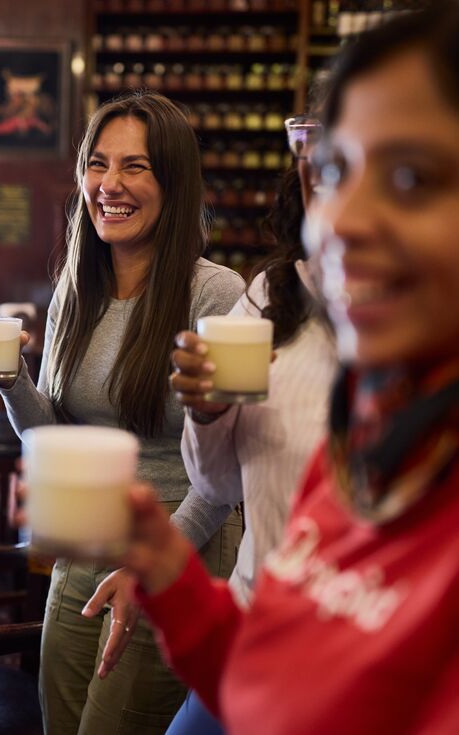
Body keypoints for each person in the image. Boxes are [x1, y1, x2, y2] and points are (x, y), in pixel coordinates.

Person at [122, 2, 459, 733]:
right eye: (334, 170)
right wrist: (162, 564)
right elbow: (273, 685)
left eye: (411, 178)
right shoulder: (382, 420)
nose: (334, 220)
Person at [0, 90, 245, 733]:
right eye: (97, 163)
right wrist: (10, 381)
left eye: (134, 167)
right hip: (87, 535)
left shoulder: (215, 293)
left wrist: (154, 561)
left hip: (181, 541)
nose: (109, 185)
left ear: (173, 181)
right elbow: (56, 441)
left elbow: (227, 467)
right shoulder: (75, 290)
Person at [165, 167, 338, 735]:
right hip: (250, 624)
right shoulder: (273, 294)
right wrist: (207, 411)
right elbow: (220, 485)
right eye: (329, 166)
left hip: (344, 660)